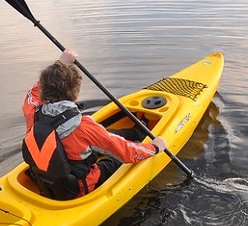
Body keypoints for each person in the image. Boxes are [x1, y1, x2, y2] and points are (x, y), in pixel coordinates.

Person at [22, 48, 167, 199]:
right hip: (79, 188)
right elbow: (126, 152)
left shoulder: (33, 111)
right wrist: (154, 147)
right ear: (75, 92)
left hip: (46, 180)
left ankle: (137, 131)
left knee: (105, 135)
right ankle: (138, 137)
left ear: (44, 89)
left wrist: (60, 64)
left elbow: (33, 93)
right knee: (116, 158)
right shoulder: (83, 125)